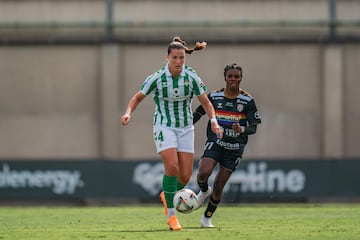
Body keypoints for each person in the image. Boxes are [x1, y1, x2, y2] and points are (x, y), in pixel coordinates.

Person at [120, 36, 223, 231]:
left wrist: (214, 121)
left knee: (184, 176)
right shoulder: (157, 77)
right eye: (174, 57)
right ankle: (172, 216)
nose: (178, 62)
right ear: (167, 57)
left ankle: (166, 195)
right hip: (164, 126)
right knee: (172, 167)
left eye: (181, 58)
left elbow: (206, 103)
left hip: (185, 128)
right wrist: (127, 113)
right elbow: (137, 97)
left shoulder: (191, 76)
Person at [192, 63, 261, 228]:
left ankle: (206, 218)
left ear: (240, 78)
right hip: (216, 142)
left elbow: (253, 127)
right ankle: (203, 190)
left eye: (236, 77)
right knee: (203, 172)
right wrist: (186, 125)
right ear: (225, 78)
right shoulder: (214, 96)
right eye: (230, 76)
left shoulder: (247, 100)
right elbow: (199, 112)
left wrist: (242, 128)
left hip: (234, 149)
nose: (233, 79)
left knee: (219, 185)